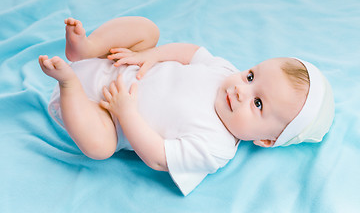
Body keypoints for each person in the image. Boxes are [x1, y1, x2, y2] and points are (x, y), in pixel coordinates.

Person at [38, 16, 335, 196]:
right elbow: (192, 52)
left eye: (258, 103)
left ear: (266, 139)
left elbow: (158, 157)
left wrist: (125, 112)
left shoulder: (215, 147)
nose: (241, 90)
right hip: (118, 59)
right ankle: (86, 48)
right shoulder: (223, 72)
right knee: (147, 30)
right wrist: (151, 55)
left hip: (100, 110)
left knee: (100, 146)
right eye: (250, 75)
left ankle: (68, 84)